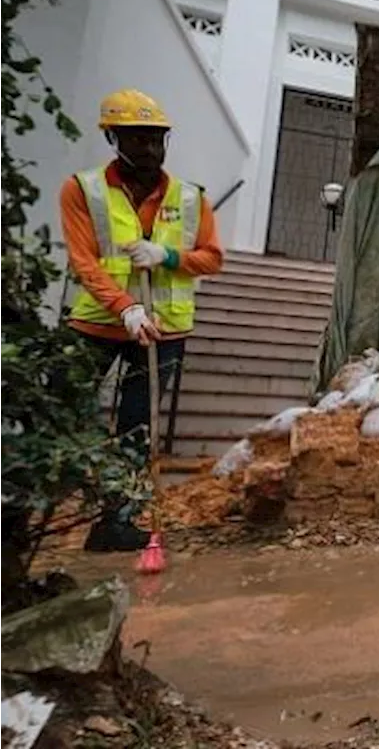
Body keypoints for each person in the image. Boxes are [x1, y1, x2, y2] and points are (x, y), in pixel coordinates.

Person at [60, 89, 223, 552]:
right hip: (94, 326)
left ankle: (117, 523)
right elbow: (84, 261)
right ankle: (33, 514)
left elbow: (212, 259)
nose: (150, 150)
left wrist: (168, 255)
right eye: (137, 140)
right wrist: (125, 307)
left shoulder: (191, 198)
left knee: (136, 430)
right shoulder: (83, 190)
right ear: (113, 137)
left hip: (163, 333)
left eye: (157, 140)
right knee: (63, 415)